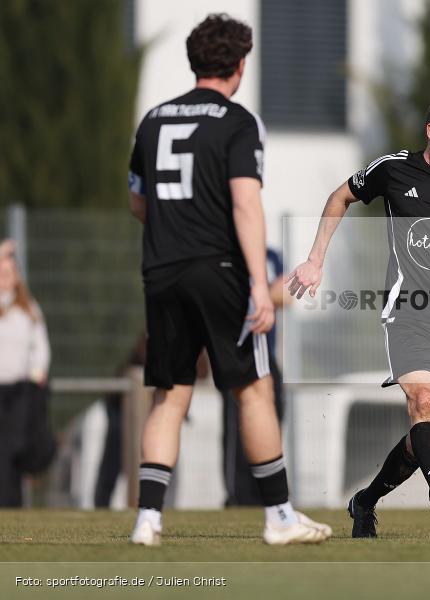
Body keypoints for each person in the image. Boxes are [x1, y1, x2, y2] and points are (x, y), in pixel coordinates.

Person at [126, 13, 330, 545]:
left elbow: (137, 202)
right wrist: (260, 286)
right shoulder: (239, 121)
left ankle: (148, 520)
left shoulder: (152, 119)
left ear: (195, 61)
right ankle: (279, 517)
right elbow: (245, 203)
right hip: (219, 270)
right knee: (254, 390)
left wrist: (174, 232)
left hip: (161, 270)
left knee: (169, 395)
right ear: (240, 65)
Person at [286, 95, 430, 537]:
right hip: (407, 312)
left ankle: (365, 502)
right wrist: (315, 260)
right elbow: (340, 196)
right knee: (420, 404)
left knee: (425, 431)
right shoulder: (393, 168)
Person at [221, 247, 286, 506]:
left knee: (271, 419)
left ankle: (268, 496)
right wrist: (265, 297)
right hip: (235, 349)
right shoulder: (223, 253)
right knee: (236, 427)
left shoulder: (270, 255)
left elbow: (289, 292)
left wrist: (261, 297)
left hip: (267, 355)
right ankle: (239, 496)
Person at [0, 240, 54, 507]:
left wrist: (37, 372)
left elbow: (41, 348)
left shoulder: (28, 309)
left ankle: (11, 505)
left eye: (8, 273)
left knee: (14, 450)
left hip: (20, 391)